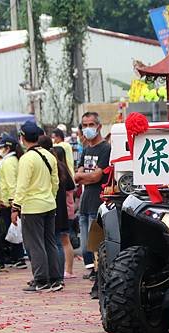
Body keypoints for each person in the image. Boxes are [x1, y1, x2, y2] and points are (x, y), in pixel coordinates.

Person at [12, 121, 61, 292]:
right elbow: (55, 182)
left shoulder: (27, 159)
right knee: (50, 242)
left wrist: (15, 207)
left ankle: (41, 279)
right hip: (49, 203)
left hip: (32, 207)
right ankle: (55, 279)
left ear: (23, 138)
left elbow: (22, 186)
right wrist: (50, 197)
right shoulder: (49, 155)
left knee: (35, 244)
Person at [74, 112, 111, 285]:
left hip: (98, 202)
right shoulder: (86, 148)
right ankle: (93, 272)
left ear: (99, 126)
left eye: (91, 124)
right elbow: (78, 173)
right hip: (85, 202)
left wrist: (83, 175)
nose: (87, 128)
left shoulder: (106, 149)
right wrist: (83, 175)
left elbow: (97, 176)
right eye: (84, 125)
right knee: (84, 246)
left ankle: (99, 277)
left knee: (95, 244)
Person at [0, 135, 26, 269]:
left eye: (1, 147)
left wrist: (12, 204)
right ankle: (16, 256)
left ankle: (17, 256)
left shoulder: (8, 162)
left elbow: (11, 184)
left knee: (11, 229)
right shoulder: (12, 160)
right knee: (13, 229)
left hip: (8, 202)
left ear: (7, 148)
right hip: (9, 201)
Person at [51, 146, 76, 281]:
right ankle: (67, 269)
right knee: (64, 240)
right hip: (66, 210)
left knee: (63, 240)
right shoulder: (65, 168)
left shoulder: (59, 168)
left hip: (64, 210)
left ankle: (68, 270)